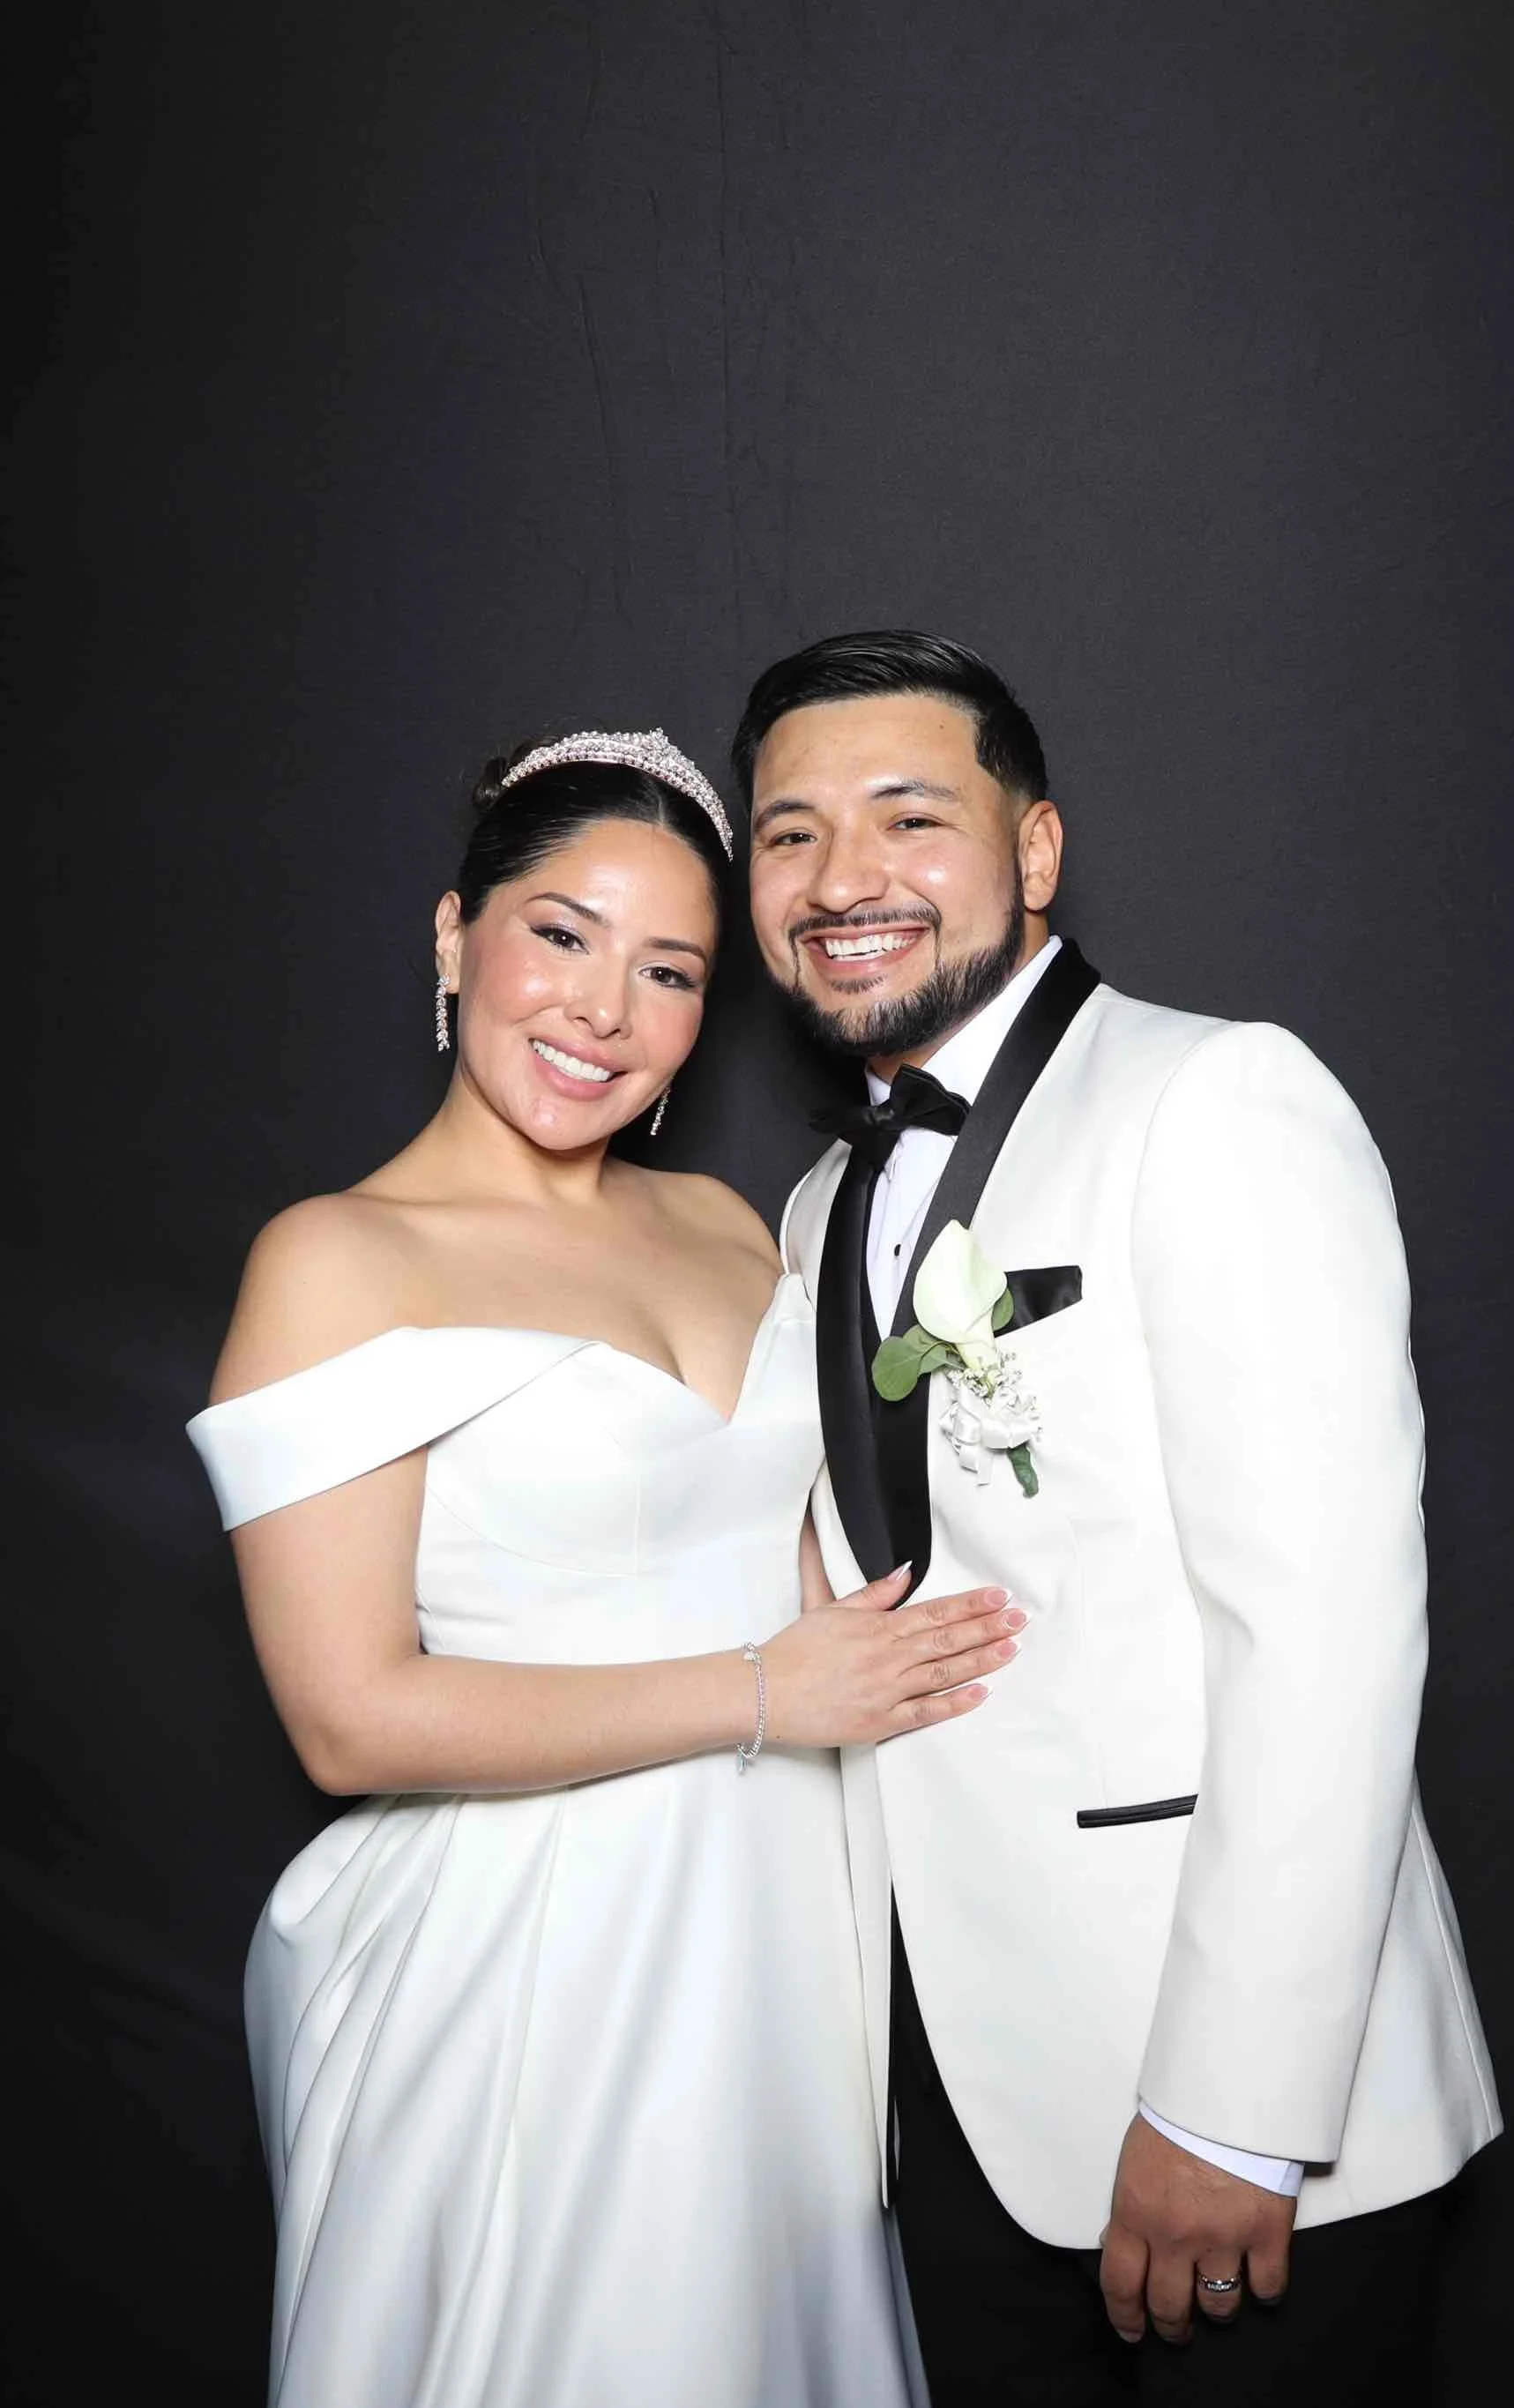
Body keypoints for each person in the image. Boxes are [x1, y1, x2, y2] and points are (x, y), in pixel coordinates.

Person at [187, 726, 1025, 2408]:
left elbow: (804, 1564)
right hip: (535, 1946)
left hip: (779, 1928)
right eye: (560, 935)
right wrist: (764, 1693)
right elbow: (348, 1718)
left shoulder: (729, 1223)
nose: (602, 1012)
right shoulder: (338, 1259)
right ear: (454, 936)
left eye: (668, 973)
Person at [738, 630, 1502, 2407]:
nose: (842, 879)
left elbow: (1324, 1631)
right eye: (788, 834)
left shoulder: (1215, 1095)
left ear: (1033, 850)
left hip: (1239, 2113)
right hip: (947, 2115)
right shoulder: (815, 1200)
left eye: (907, 816)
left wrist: (1233, 2111)